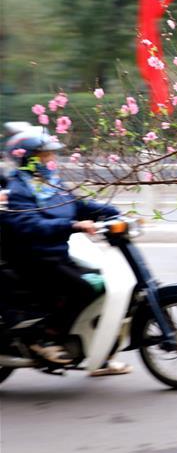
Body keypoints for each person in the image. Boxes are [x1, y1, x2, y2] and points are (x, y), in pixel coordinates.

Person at [1, 127, 127, 372]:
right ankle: (42, 338)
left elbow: (79, 205)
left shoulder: (51, 184)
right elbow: (30, 225)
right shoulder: (19, 190)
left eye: (50, 155)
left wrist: (115, 213)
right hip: (33, 259)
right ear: (29, 158)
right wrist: (73, 225)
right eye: (45, 155)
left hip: (55, 255)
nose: (51, 160)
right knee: (83, 289)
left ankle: (95, 352)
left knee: (101, 285)